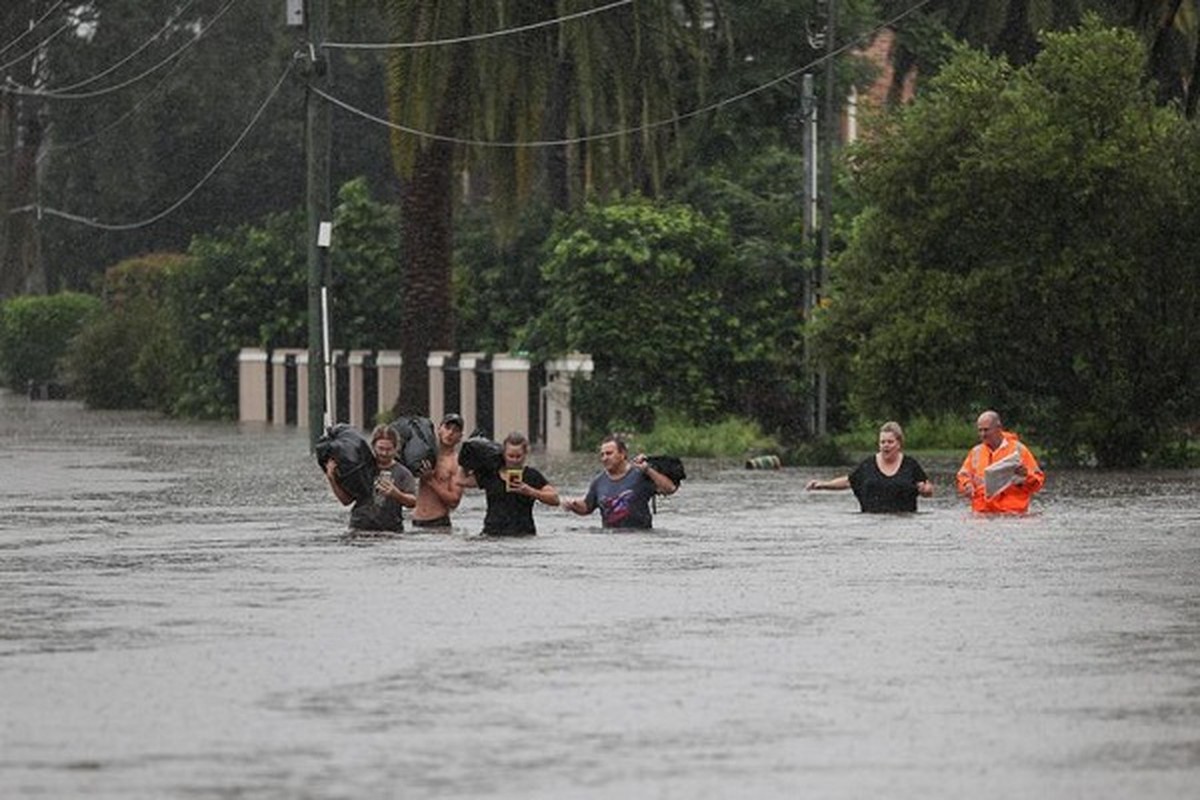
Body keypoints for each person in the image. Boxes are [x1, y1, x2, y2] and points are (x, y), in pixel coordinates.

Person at [806, 421, 933, 512]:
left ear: (899, 443)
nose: (886, 445)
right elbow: (848, 481)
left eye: (890, 442)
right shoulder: (868, 465)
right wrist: (823, 484)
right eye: (882, 442)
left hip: (904, 526)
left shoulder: (910, 465)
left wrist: (926, 491)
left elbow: (928, 489)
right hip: (872, 525)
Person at [563, 435, 678, 529]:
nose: (604, 458)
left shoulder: (641, 474)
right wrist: (573, 504)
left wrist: (648, 470)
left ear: (622, 454)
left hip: (641, 538)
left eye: (609, 453)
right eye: (602, 455)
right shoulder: (598, 481)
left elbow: (670, 489)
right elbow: (587, 507)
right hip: (611, 539)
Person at [458, 431, 559, 536]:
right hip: (492, 535)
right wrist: (465, 461)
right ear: (503, 454)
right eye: (511, 456)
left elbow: (555, 499)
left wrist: (530, 491)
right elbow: (460, 481)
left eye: (518, 456)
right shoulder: (492, 473)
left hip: (523, 535)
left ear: (525, 454)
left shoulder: (531, 475)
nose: (514, 460)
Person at [325, 424, 417, 532]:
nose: (384, 453)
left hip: (390, 530)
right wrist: (332, 479)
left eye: (389, 449)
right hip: (359, 527)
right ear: (373, 446)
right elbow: (346, 501)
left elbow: (413, 502)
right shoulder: (362, 468)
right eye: (380, 448)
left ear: (396, 448)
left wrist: (396, 494)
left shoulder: (403, 473)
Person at [956, 410, 1045, 513]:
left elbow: (1038, 481)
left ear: (998, 428)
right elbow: (962, 476)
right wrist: (967, 485)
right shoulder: (976, 451)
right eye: (980, 430)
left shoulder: (1018, 449)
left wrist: (1026, 476)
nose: (982, 434)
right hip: (982, 515)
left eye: (986, 430)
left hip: (1012, 514)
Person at [412, 412, 465, 529]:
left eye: (455, 430)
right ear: (439, 430)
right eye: (447, 428)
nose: (450, 433)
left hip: (438, 524)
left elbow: (454, 501)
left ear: (460, 436)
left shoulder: (457, 463)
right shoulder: (424, 453)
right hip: (415, 522)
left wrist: (431, 481)